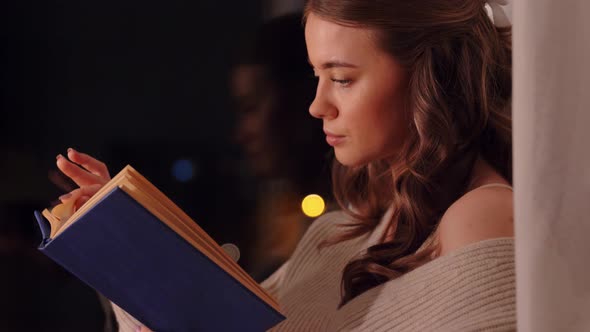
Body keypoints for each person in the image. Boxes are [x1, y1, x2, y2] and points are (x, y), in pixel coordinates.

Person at [55, 0, 515, 330]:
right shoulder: (349, 229)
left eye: (341, 79)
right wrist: (131, 246)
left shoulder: (481, 216)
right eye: (317, 76)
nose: (317, 105)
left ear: (430, 76)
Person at [230, 13, 333, 280]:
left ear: (299, 98)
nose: (241, 133)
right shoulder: (276, 215)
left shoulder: (360, 222)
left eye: (250, 108)